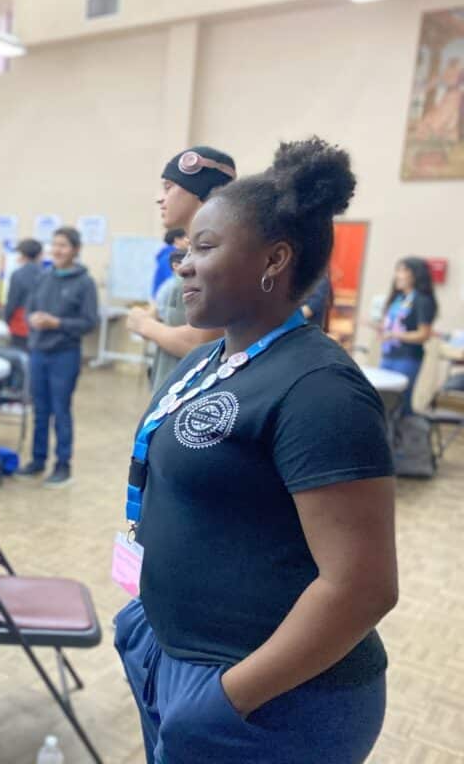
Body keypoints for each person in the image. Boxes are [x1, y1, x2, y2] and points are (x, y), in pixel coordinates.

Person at [114, 138, 397, 764]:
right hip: (180, 650)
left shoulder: (320, 389)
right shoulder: (217, 357)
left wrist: (226, 700)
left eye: (205, 247)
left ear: (275, 260)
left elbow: (362, 587)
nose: (184, 264)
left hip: (273, 698)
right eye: (188, 247)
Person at [127, 146, 236, 392]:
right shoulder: (193, 253)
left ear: (200, 193)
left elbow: (202, 341)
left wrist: (144, 324)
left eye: (168, 187)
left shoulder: (219, 254)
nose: (159, 198)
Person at [17, 226, 98, 487]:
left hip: (65, 354)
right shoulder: (44, 276)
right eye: (54, 245)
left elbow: (89, 321)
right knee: (40, 410)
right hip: (38, 353)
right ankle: (38, 459)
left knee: (60, 410)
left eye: (63, 245)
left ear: (75, 250)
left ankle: (63, 464)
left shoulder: (84, 282)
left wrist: (57, 323)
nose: (57, 250)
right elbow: (30, 308)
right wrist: (33, 319)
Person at [378, 257, 438, 414]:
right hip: (388, 355)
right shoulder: (398, 298)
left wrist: (395, 335)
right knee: (383, 401)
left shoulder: (422, 300)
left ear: (416, 275)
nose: (398, 275)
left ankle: (404, 436)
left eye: (404, 270)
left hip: (407, 358)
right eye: (397, 270)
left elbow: (423, 334)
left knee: (400, 402)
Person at [4, 238, 44, 351]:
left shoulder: (17, 274)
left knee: (20, 357)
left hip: (19, 322)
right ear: (40, 255)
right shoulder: (46, 274)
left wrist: (7, 319)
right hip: (40, 322)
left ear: (22, 255)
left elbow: (12, 301)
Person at [152, 228, 188, 298]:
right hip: (165, 299)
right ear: (177, 240)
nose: (188, 241)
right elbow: (172, 281)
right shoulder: (169, 257)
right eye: (185, 238)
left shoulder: (166, 255)